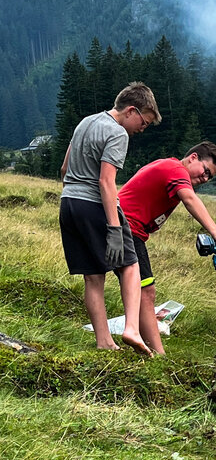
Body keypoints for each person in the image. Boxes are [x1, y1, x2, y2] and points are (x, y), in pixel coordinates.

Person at [59, 82, 161, 355]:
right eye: (144, 122)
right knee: (131, 266)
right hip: (95, 205)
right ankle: (131, 329)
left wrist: (74, 198)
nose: (143, 128)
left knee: (93, 277)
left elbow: (65, 168)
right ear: (131, 111)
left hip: (68, 204)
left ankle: (104, 341)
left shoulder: (85, 122)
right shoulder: (117, 133)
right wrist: (114, 228)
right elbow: (106, 181)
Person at [117, 141, 216, 354]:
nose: (205, 179)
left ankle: (116, 341)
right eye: (206, 171)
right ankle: (157, 354)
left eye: (210, 177)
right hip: (126, 227)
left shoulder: (167, 166)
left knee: (102, 279)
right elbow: (190, 199)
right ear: (193, 157)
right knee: (146, 291)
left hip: (119, 225)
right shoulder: (176, 169)